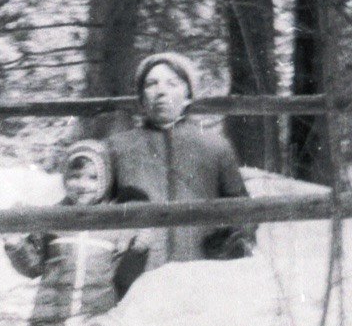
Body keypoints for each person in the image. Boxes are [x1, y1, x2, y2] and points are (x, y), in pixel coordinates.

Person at [105, 51, 254, 292]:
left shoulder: (215, 147)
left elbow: (243, 209)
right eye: (151, 84)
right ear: (141, 98)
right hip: (136, 280)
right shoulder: (117, 148)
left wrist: (230, 239)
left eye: (172, 83)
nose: (161, 91)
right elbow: (91, 203)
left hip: (199, 275)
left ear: (187, 97)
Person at [4, 140, 146, 326]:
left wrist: (139, 247)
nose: (82, 185)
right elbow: (33, 267)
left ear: (106, 180)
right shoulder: (52, 218)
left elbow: (126, 277)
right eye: (75, 176)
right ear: (64, 178)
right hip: (50, 320)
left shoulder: (115, 224)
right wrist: (16, 245)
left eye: (93, 177)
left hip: (96, 321)